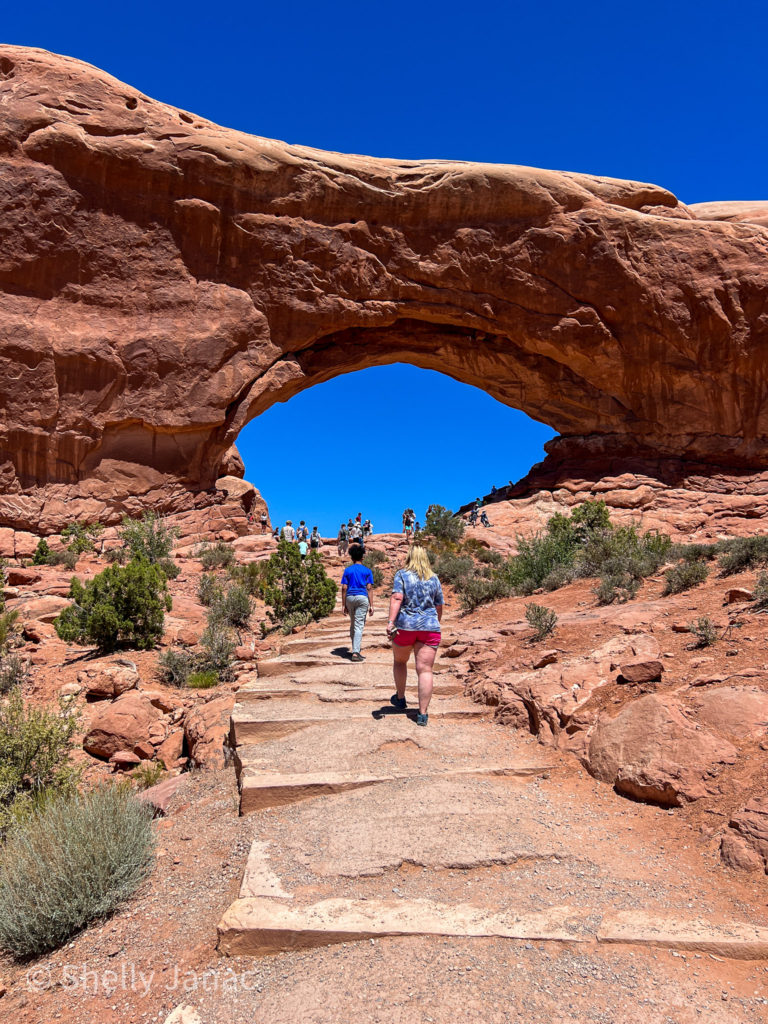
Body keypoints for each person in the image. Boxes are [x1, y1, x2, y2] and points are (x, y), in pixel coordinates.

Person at [386, 546, 444, 727]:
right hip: (429, 628)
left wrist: (390, 622)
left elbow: (397, 598)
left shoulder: (402, 575)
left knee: (400, 661)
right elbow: (439, 604)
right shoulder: (434, 578)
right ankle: (422, 713)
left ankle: (401, 698)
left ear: (409, 557)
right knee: (425, 669)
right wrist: (435, 622)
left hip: (406, 626)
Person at [341, 543, 374, 662]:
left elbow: (344, 587)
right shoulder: (367, 571)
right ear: (362, 557)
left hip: (350, 597)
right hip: (362, 598)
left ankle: (355, 648)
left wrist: (343, 605)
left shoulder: (348, 570)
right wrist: (372, 605)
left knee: (353, 623)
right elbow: (369, 588)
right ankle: (355, 652)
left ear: (352, 558)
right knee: (359, 625)